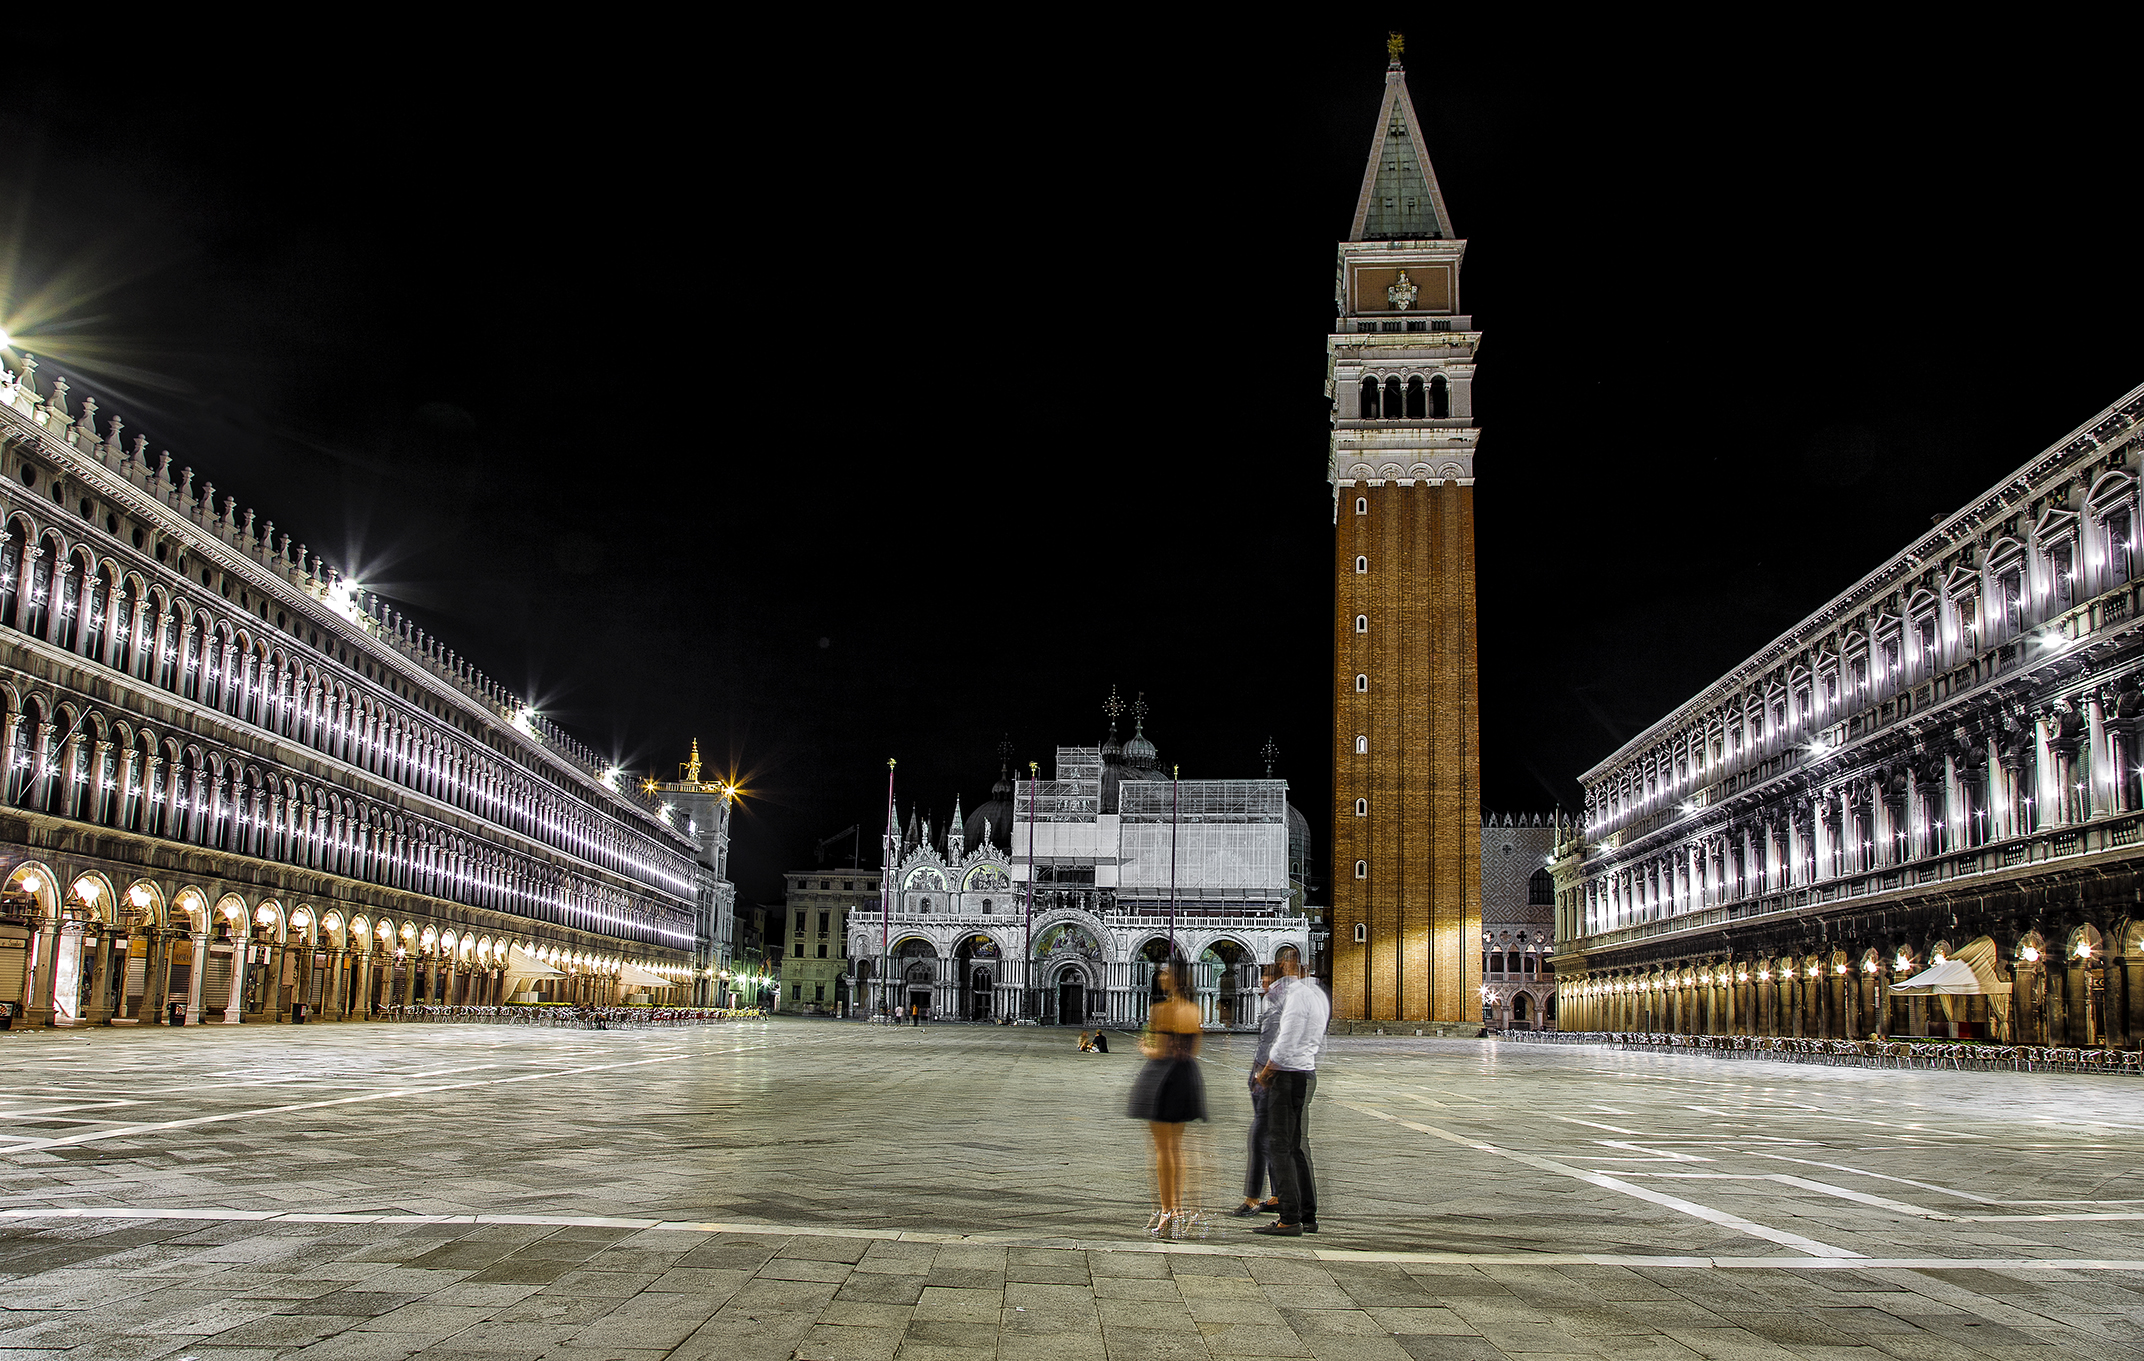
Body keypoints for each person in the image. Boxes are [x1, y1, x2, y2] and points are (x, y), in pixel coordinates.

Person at [1126, 958, 1206, 1238]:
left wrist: (1143, 1048)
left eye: (1165, 973)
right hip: (1187, 1077)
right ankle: (1179, 1208)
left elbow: (1159, 1051)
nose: (1161, 977)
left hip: (1162, 1079)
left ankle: (1165, 1210)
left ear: (1175, 979)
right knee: (1177, 1148)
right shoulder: (1194, 1010)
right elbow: (1194, 1050)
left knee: (1162, 1150)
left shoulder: (1160, 1010)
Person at [1253, 944, 1326, 1237]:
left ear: (1287, 964)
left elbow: (1287, 1039)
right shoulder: (1317, 994)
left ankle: (1289, 1218)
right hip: (1305, 1074)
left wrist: (1267, 1072)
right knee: (1296, 1148)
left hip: (1285, 1076)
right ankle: (1308, 1215)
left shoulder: (1296, 996)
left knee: (1279, 1147)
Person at [1230, 964, 1287, 1217]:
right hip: (1270, 1073)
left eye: (1266, 979)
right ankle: (1277, 1195)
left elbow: (1271, 1043)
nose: (1262, 984)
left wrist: (1261, 1074)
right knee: (1272, 1136)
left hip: (1268, 1076)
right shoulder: (1280, 1000)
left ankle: (1252, 1198)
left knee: (1259, 1137)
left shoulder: (1276, 1001)